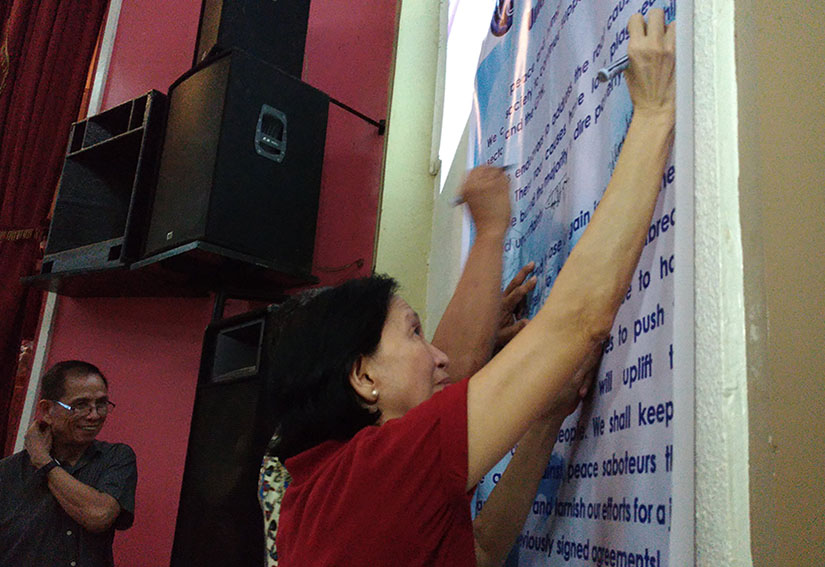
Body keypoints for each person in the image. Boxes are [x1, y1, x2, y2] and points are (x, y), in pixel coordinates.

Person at [258, 10, 675, 567]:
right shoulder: (377, 471)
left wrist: (546, 419)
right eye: (414, 334)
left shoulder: (323, 496)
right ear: (363, 376)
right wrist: (652, 114)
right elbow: (579, 321)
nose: (438, 358)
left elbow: (475, 550)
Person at [0, 360, 137, 567]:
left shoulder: (115, 457)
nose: (94, 415)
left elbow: (99, 515)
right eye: (80, 405)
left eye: (101, 404)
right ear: (47, 409)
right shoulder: (6, 473)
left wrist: (44, 461)